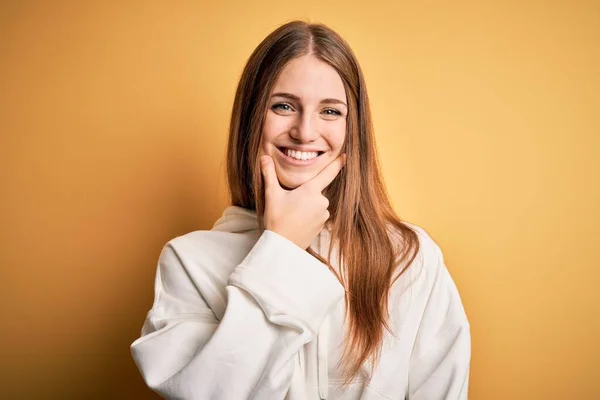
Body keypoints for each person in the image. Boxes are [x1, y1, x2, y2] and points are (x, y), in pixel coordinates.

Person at [130, 20, 471, 400]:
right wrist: (282, 247)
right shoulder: (188, 262)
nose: (305, 132)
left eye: (330, 112)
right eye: (284, 106)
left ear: (352, 128)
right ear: (251, 120)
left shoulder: (409, 258)